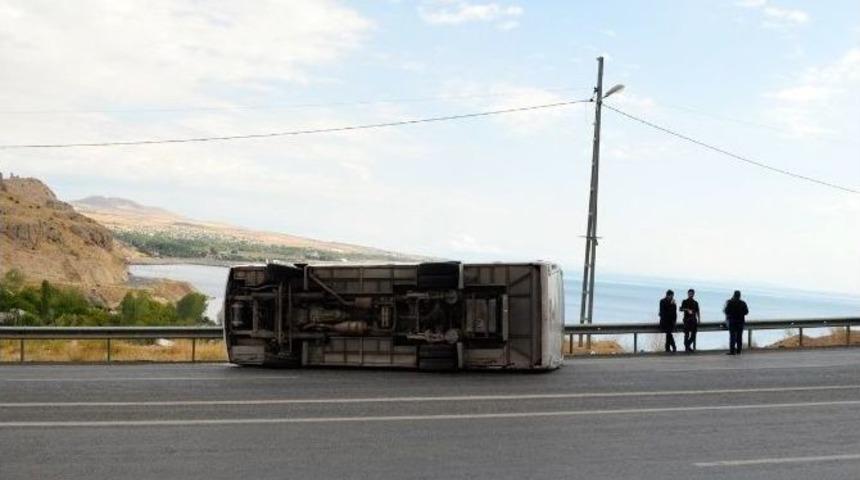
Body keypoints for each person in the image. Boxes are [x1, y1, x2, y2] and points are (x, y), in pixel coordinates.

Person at [723, 290, 749, 355]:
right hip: (740, 322)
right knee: (739, 336)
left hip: (732, 321)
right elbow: (746, 312)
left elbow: (726, 311)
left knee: (732, 336)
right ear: (740, 296)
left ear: (734, 295)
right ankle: (739, 350)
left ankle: (732, 351)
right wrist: (741, 313)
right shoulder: (743, 303)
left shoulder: (730, 302)